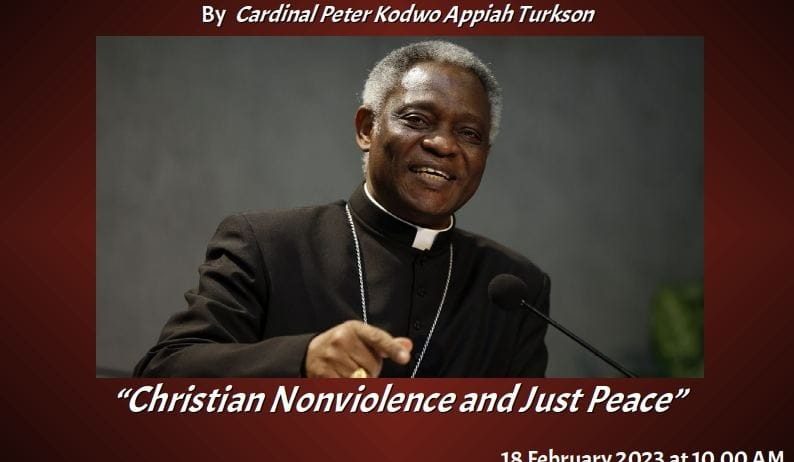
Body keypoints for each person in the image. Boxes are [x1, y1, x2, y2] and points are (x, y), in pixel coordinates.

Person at [134, 41, 550, 378]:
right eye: (417, 119)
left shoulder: (515, 287)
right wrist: (301, 359)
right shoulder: (267, 245)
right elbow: (163, 370)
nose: (443, 145)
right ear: (367, 129)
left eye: (469, 133)